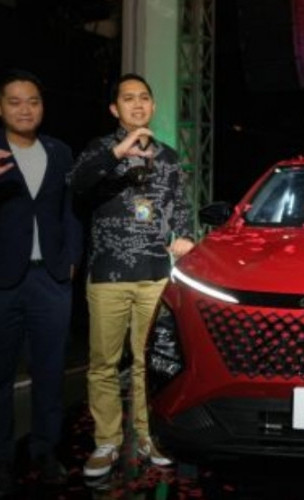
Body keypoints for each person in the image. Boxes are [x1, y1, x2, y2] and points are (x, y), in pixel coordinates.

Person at [70, 73, 194, 478]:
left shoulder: (168, 157)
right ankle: (106, 441)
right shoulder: (99, 149)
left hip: (154, 274)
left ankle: (147, 435)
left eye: (144, 98)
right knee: (104, 364)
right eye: (128, 98)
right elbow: (77, 185)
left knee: (148, 363)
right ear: (114, 109)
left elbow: (181, 207)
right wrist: (118, 152)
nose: (137, 104)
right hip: (108, 273)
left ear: (153, 106)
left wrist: (186, 235)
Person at [0, 69, 81, 493]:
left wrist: (71, 259)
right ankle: (2, 460)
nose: (25, 109)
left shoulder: (60, 151)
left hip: (50, 279)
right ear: (1, 108)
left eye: (32, 101)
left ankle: (45, 451)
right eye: (15, 102)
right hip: (3, 281)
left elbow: (71, 210)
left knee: (50, 372)